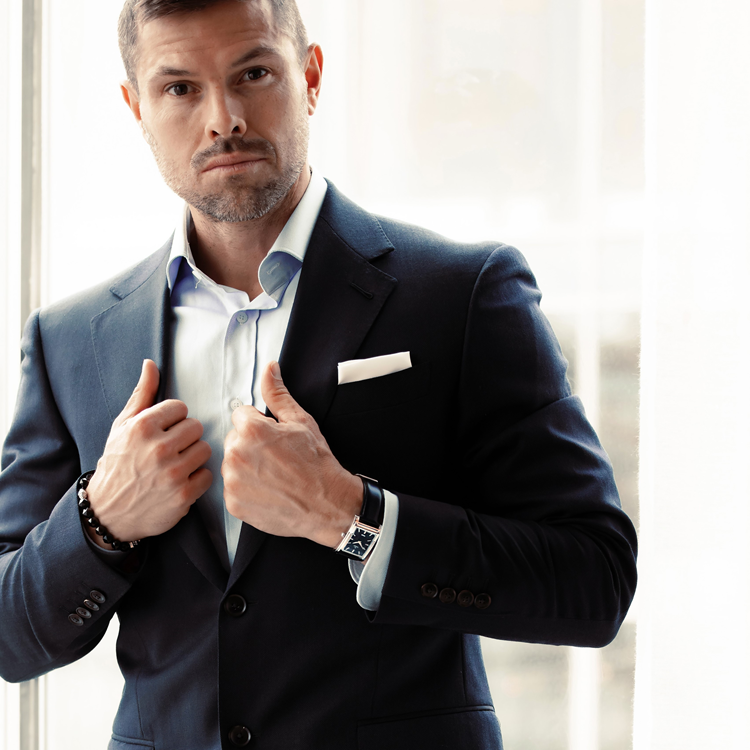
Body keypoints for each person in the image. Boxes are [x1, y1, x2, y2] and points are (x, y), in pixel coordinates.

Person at [0, 0, 638, 748]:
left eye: (254, 73)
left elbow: (593, 582)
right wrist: (99, 522)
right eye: (179, 89)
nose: (223, 118)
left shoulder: (463, 294)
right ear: (136, 107)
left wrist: (351, 516)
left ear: (309, 76)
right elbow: (12, 637)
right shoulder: (71, 340)